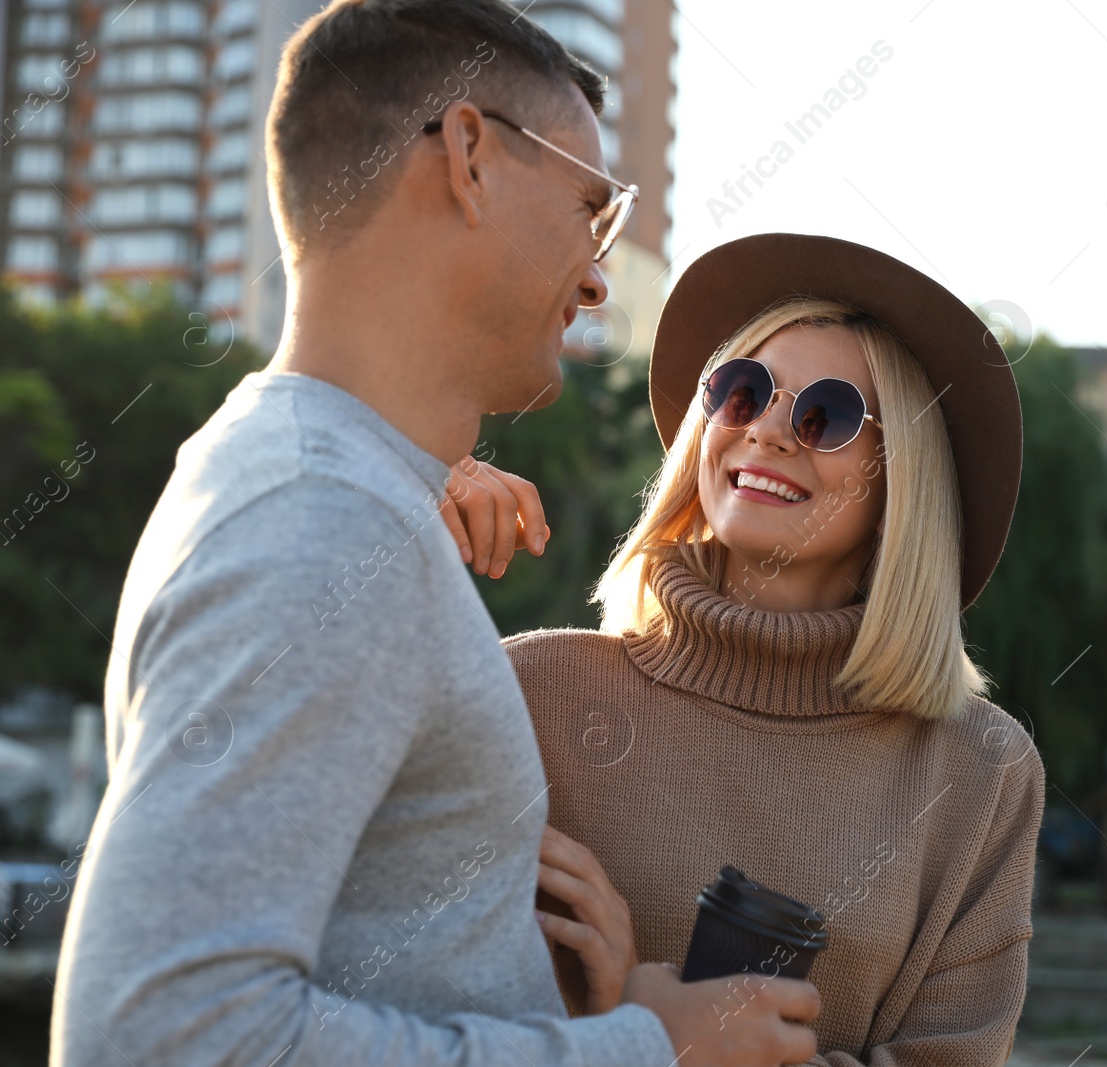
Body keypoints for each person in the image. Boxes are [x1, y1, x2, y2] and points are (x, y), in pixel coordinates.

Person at [51, 4, 818, 1066]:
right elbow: (160, 1037)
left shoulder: (330, 488)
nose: (598, 275)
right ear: (467, 156)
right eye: (590, 210)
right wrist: (648, 1052)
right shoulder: (318, 518)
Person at [452, 233, 1045, 1065]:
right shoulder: (530, 689)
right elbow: (398, 988)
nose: (767, 430)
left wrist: (651, 1032)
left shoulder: (982, 771)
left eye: (825, 415)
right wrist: (387, 506)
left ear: (901, 479)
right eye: (742, 391)